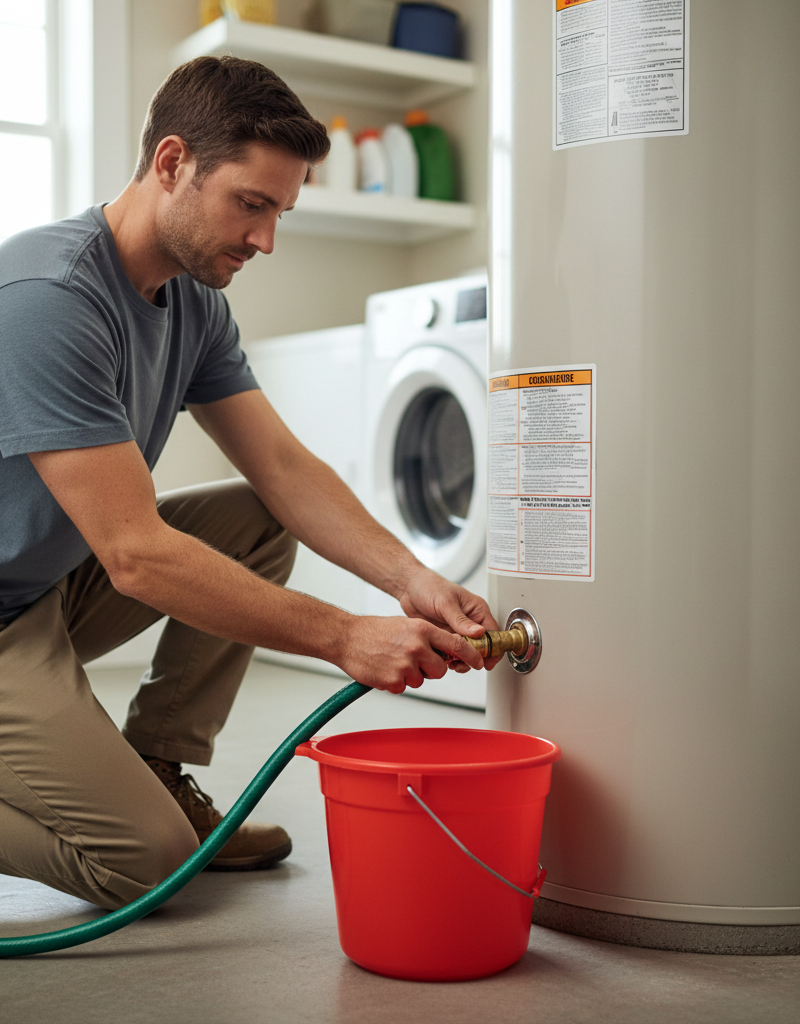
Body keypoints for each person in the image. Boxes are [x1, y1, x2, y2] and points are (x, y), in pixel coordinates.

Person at [0, 55, 500, 911]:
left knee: (255, 515)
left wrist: (413, 582)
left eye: (281, 212)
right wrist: (346, 636)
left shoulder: (193, 303)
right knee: (145, 862)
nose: (265, 240)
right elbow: (136, 557)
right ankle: (155, 817)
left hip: (39, 584)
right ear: (171, 164)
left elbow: (283, 469)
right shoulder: (48, 296)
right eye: (252, 204)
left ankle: (162, 765)